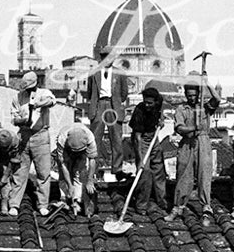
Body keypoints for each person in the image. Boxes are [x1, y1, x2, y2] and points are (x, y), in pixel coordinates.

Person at [165, 74, 220, 226]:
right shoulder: (181, 109)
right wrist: (192, 128)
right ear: (185, 95)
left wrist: (206, 82)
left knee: (204, 175)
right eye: (189, 96)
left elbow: (217, 99)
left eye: (194, 95)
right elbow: (179, 128)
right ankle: (178, 207)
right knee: (184, 175)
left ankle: (206, 209)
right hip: (187, 143)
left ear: (198, 94)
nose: (192, 98)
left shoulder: (205, 107)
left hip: (203, 142)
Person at [10, 71, 56, 216]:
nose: (28, 90)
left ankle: (42, 204)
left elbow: (51, 101)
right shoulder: (18, 97)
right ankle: (14, 204)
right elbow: (14, 118)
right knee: (20, 172)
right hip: (24, 135)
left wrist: (37, 104)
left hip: (40, 136)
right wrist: (22, 121)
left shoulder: (44, 92)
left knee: (43, 172)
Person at [86, 46, 129, 182]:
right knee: (95, 139)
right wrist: (95, 105)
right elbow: (89, 92)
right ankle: (95, 170)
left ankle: (117, 169)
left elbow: (124, 93)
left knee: (116, 138)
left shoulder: (120, 73)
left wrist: (115, 102)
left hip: (113, 105)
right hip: (99, 104)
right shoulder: (94, 73)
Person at [129, 86, 167, 215]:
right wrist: (139, 160)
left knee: (159, 170)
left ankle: (161, 202)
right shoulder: (139, 111)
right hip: (142, 139)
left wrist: (161, 121)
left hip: (154, 137)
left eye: (150, 103)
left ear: (155, 101)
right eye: (145, 101)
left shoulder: (159, 102)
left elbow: (160, 113)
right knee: (144, 171)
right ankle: (141, 205)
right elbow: (137, 139)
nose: (147, 105)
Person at [54, 123, 99, 216]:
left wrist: (90, 180)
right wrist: (69, 185)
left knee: (80, 172)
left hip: (82, 153)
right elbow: (63, 165)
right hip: (66, 151)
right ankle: (64, 198)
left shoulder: (90, 138)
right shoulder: (62, 139)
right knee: (63, 176)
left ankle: (77, 200)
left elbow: (92, 160)